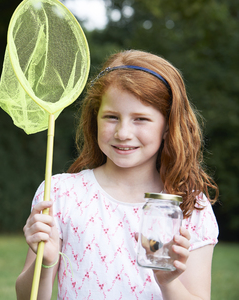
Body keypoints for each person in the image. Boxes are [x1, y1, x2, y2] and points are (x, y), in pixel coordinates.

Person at [15, 50, 219, 300]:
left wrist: (168, 282)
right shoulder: (60, 193)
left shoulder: (189, 205)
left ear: (167, 126)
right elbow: (29, 297)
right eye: (112, 117)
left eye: (140, 119)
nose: (123, 133)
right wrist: (45, 264)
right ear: (95, 119)